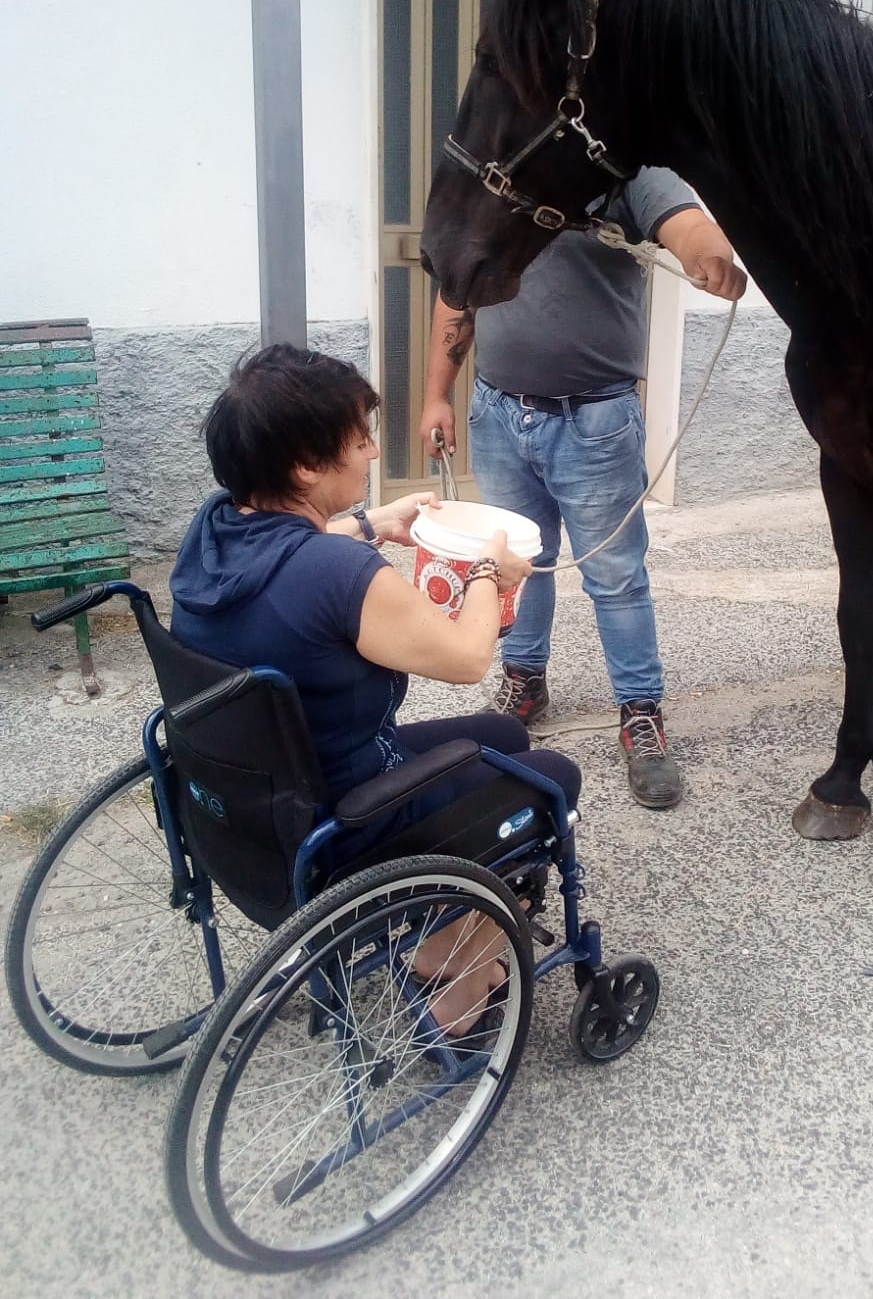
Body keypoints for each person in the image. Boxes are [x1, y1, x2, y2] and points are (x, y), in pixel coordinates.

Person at [169, 343, 582, 1035]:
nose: (369, 452)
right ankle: (451, 967)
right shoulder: (337, 574)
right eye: (359, 440)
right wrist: (487, 571)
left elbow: (291, 552)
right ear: (306, 465)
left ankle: (456, 917)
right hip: (346, 822)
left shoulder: (211, 530)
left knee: (507, 736)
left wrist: (368, 523)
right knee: (552, 778)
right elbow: (465, 657)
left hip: (247, 807)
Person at [420, 167, 745, 810]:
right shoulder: (497, 175)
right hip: (499, 411)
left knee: (616, 577)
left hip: (594, 421)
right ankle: (525, 679)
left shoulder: (628, 171)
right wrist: (435, 395)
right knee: (515, 566)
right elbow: (457, 292)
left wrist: (710, 255)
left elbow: (686, 225)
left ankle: (641, 714)